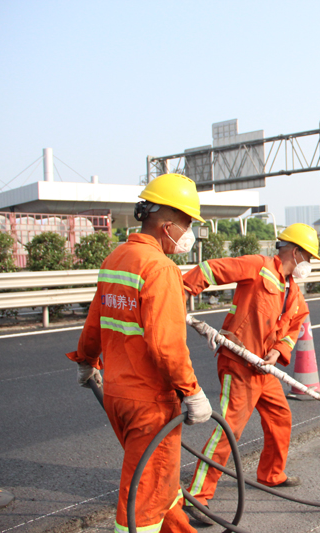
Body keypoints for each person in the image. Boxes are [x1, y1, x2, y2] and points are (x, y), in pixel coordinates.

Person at [66, 173, 213, 533]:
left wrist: (87, 361)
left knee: (162, 484)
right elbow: (166, 345)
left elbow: (96, 321)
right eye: (187, 223)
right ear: (167, 225)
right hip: (150, 403)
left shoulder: (116, 258)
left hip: (118, 396)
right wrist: (192, 391)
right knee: (146, 500)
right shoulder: (160, 268)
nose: (190, 232)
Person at [181, 223, 318, 525]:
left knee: (280, 417)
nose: (309, 264)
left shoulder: (292, 291)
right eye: (309, 257)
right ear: (296, 252)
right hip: (239, 364)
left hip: (263, 369)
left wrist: (278, 351)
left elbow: (295, 325)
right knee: (229, 430)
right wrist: (182, 291)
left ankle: (271, 474)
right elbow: (212, 269)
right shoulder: (258, 266)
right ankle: (197, 496)